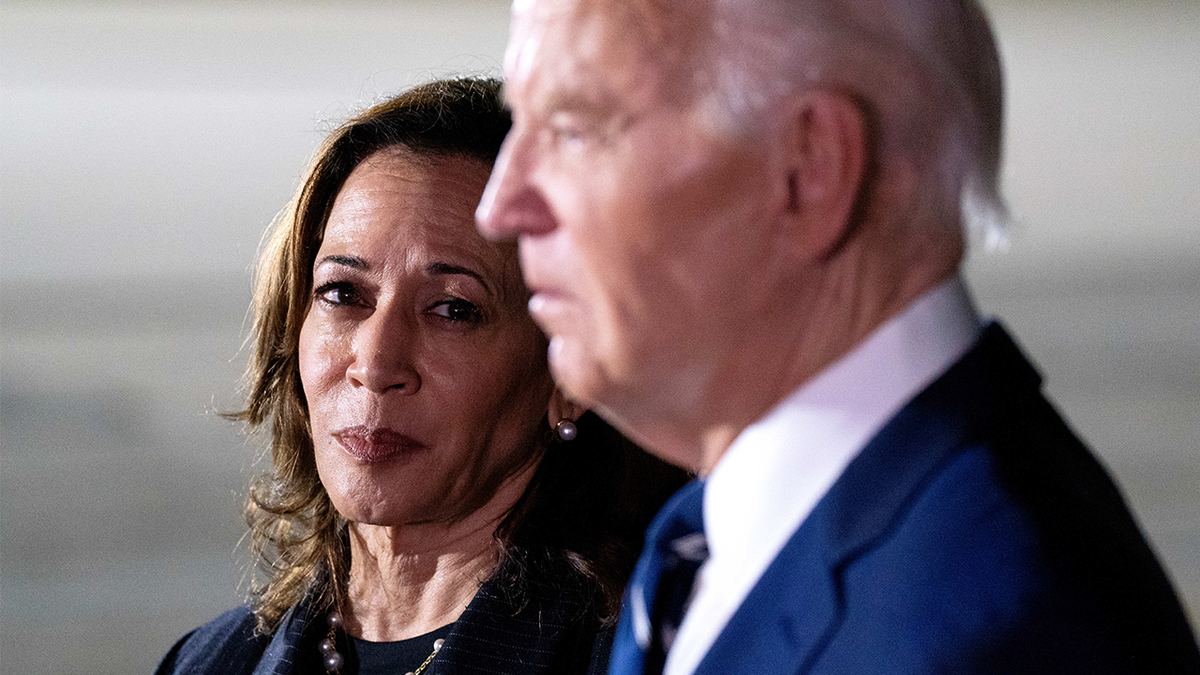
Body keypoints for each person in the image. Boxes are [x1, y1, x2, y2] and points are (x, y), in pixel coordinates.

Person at [475, 1, 1200, 673]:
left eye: (573, 129)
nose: (500, 207)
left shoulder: (993, 634)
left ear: (810, 168)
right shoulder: (720, 522)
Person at [156, 77, 686, 675]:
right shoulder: (209, 663)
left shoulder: (656, 651)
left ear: (570, 372)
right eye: (342, 293)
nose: (376, 365)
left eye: (453, 309)